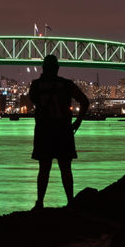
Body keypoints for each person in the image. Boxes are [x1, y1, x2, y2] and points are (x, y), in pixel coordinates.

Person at [28, 55, 89, 210]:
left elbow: (34, 100)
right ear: (57, 68)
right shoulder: (67, 84)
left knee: (43, 169)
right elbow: (84, 101)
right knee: (66, 168)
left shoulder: (36, 85)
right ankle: (71, 202)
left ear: (43, 67)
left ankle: (40, 203)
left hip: (44, 131)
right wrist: (78, 121)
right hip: (63, 130)